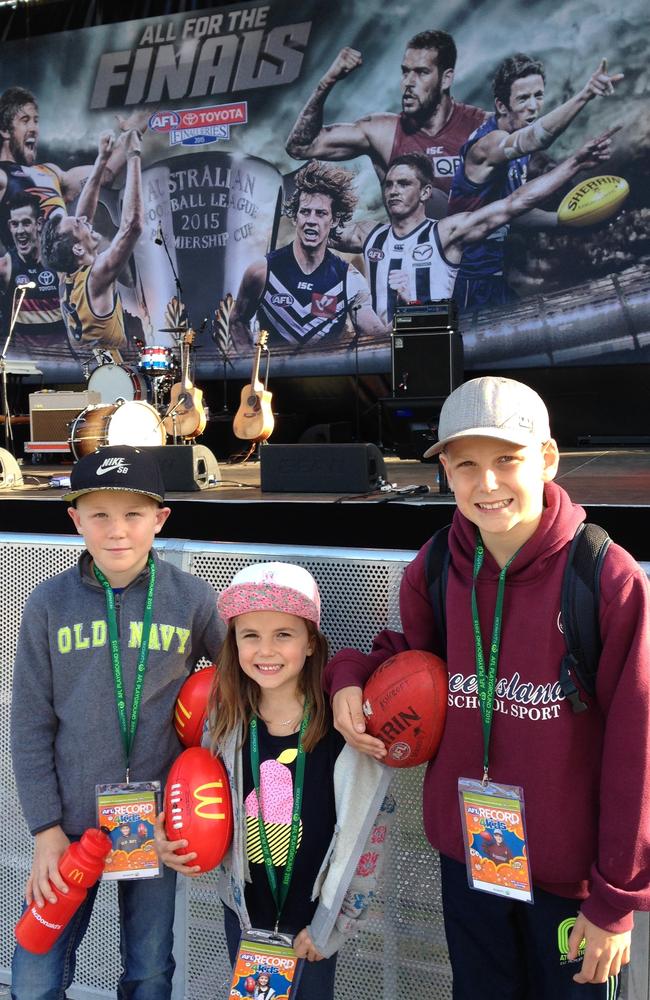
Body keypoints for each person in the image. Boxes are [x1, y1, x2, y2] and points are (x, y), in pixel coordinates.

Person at [324, 376, 650, 998]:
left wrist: (616, 897)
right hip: (473, 864)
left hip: (570, 882)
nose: (488, 483)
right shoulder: (438, 564)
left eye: (508, 459)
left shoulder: (606, 579)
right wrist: (349, 677)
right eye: (466, 464)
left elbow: (638, 746)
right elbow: (410, 661)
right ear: (445, 469)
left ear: (548, 460)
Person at [10, 444, 223, 1000]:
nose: (117, 530)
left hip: (155, 823)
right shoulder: (48, 603)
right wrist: (44, 829)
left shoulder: (194, 600)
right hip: (69, 823)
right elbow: (29, 723)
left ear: (160, 519)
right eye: (99, 514)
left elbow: (246, 682)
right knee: (35, 968)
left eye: (132, 514)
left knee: (150, 968)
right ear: (75, 519)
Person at [154, 561, 394, 1000]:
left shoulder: (342, 729)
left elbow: (366, 837)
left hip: (313, 923)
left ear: (310, 643)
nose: (266, 650)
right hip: (244, 913)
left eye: (283, 634)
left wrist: (334, 925)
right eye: (251, 635)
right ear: (234, 643)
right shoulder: (223, 723)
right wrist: (172, 836)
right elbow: (197, 799)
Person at [334, 125, 617, 325]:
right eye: (390, 185)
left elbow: (513, 203)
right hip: (380, 352)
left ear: (424, 192)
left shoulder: (445, 233)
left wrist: (575, 162)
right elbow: (318, 229)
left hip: (431, 349)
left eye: (404, 183)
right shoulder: (369, 233)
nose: (393, 191)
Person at [448, 55, 623, 309]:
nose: (533, 106)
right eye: (522, 98)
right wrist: (586, 94)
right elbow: (537, 138)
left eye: (538, 95)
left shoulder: (516, 145)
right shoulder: (488, 145)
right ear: (501, 105)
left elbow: (513, 212)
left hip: (492, 278)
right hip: (462, 282)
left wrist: (563, 221)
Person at [285, 31, 486, 217]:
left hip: (478, 252)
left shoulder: (483, 126)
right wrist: (328, 80)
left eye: (421, 72)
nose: (408, 82)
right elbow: (300, 146)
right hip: (413, 252)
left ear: (446, 79)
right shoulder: (384, 132)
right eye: (405, 72)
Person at [230, 160, 387, 353]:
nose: (311, 220)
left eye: (321, 213)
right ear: (296, 218)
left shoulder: (350, 280)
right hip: (274, 380)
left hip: (325, 380)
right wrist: (251, 367)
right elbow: (237, 321)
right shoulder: (262, 272)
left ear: (334, 220)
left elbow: (375, 334)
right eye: (305, 212)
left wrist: (402, 322)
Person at [40, 128, 143, 363]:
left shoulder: (65, 273)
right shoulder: (97, 276)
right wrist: (133, 156)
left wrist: (101, 160)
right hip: (115, 369)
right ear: (77, 249)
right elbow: (133, 226)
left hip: (92, 367)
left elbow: (83, 214)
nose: (85, 219)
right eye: (79, 224)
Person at [0, 86, 143, 249]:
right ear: (5, 130)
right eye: (25, 121)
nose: (33, 128)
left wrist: (134, 129)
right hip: (25, 272)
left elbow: (106, 173)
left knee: (109, 245)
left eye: (35, 121)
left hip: (68, 271)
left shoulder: (50, 173)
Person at [0, 192, 73, 368]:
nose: (20, 231)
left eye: (26, 223)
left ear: (39, 224)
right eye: (14, 224)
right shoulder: (6, 267)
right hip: (24, 368)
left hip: (63, 365)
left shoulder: (59, 263)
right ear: (9, 226)